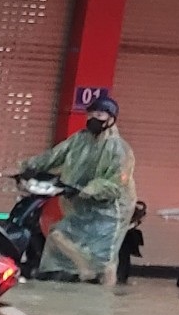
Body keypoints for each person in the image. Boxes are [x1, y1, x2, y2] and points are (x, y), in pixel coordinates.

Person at [17, 90, 135, 283]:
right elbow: (54, 155)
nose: (93, 118)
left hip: (111, 212)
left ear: (111, 119)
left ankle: (105, 301)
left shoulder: (120, 149)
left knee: (105, 261)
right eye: (90, 114)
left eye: (99, 115)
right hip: (81, 204)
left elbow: (115, 184)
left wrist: (89, 189)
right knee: (57, 235)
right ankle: (83, 270)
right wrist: (26, 167)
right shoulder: (79, 140)